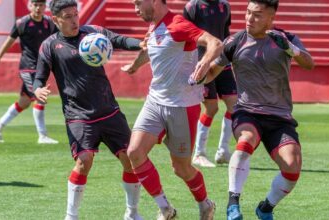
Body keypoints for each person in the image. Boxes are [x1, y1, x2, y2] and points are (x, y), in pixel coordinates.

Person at [33, 0, 144, 219]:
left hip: (109, 110)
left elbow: (119, 40)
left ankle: (132, 213)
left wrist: (140, 44)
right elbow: (39, 78)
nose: (75, 20)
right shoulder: (49, 46)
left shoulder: (93, 33)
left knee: (131, 161)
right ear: (55, 20)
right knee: (84, 161)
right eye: (68, 16)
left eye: (76, 14)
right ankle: (71, 216)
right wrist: (37, 90)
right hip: (78, 116)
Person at [205, 0, 315, 219]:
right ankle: (233, 204)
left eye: (256, 15)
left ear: (271, 18)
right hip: (247, 112)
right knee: (245, 141)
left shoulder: (287, 39)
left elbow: (309, 63)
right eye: (247, 13)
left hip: (280, 117)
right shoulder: (235, 41)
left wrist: (291, 50)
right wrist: (197, 75)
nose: (249, 19)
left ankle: (265, 208)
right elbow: (210, 73)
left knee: (292, 166)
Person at [121, 0, 223, 219]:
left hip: (182, 107)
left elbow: (215, 43)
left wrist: (204, 63)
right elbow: (150, 50)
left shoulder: (177, 25)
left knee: (181, 168)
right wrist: (135, 65)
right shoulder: (154, 25)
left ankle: (205, 204)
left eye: (139, 3)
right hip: (155, 102)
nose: (135, 9)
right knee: (134, 153)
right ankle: (165, 208)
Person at [0, 0, 59, 144]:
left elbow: (59, 41)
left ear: (45, 7)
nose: (38, 8)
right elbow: (9, 41)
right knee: (41, 96)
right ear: (30, 6)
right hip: (27, 67)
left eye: (41, 5)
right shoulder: (22, 23)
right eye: (35, 4)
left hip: (41, 68)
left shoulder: (49, 24)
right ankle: (42, 136)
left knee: (24, 102)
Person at [183, 0, 237, 168]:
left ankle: (223, 151)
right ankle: (199, 153)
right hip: (201, 62)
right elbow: (186, 35)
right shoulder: (193, 7)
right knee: (211, 108)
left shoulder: (225, 6)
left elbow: (226, 34)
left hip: (222, 62)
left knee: (234, 106)